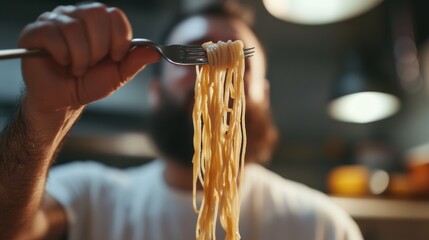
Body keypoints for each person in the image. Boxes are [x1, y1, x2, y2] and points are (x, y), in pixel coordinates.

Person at [0, 2, 363, 240]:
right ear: (156, 92)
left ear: (263, 98)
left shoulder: (323, 226)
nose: (216, 74)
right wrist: (43, 113)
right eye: (194, 57)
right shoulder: (90, 196)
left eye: (240, 64)